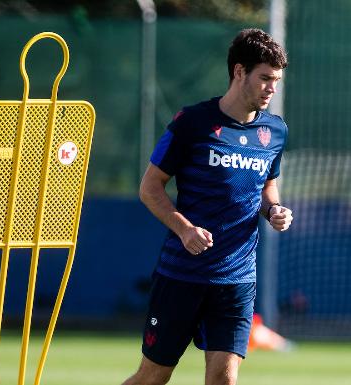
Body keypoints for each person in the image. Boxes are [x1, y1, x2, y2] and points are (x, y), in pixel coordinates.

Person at [122, 28, 293, 385]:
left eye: (276, 80)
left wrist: (274, 209)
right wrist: (184, 228)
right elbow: (150, 188)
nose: (271, 89)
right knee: (153, 377)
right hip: (182, 274)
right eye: (264, 78)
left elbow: (267, 187)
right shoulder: (193, 123)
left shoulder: (275, 131)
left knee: (223, 380)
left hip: (237, 279)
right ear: (239, 72)